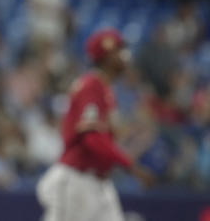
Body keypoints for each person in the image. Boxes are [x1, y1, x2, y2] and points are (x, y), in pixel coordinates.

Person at [36, 28, 154, 221]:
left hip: (98, 182)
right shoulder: (92, 85)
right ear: (106, 58)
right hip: (77, 180)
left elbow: (104, 136)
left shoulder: (105, 88)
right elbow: (91, 138)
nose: (125, 56)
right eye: (119, 51)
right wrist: (130, 165)